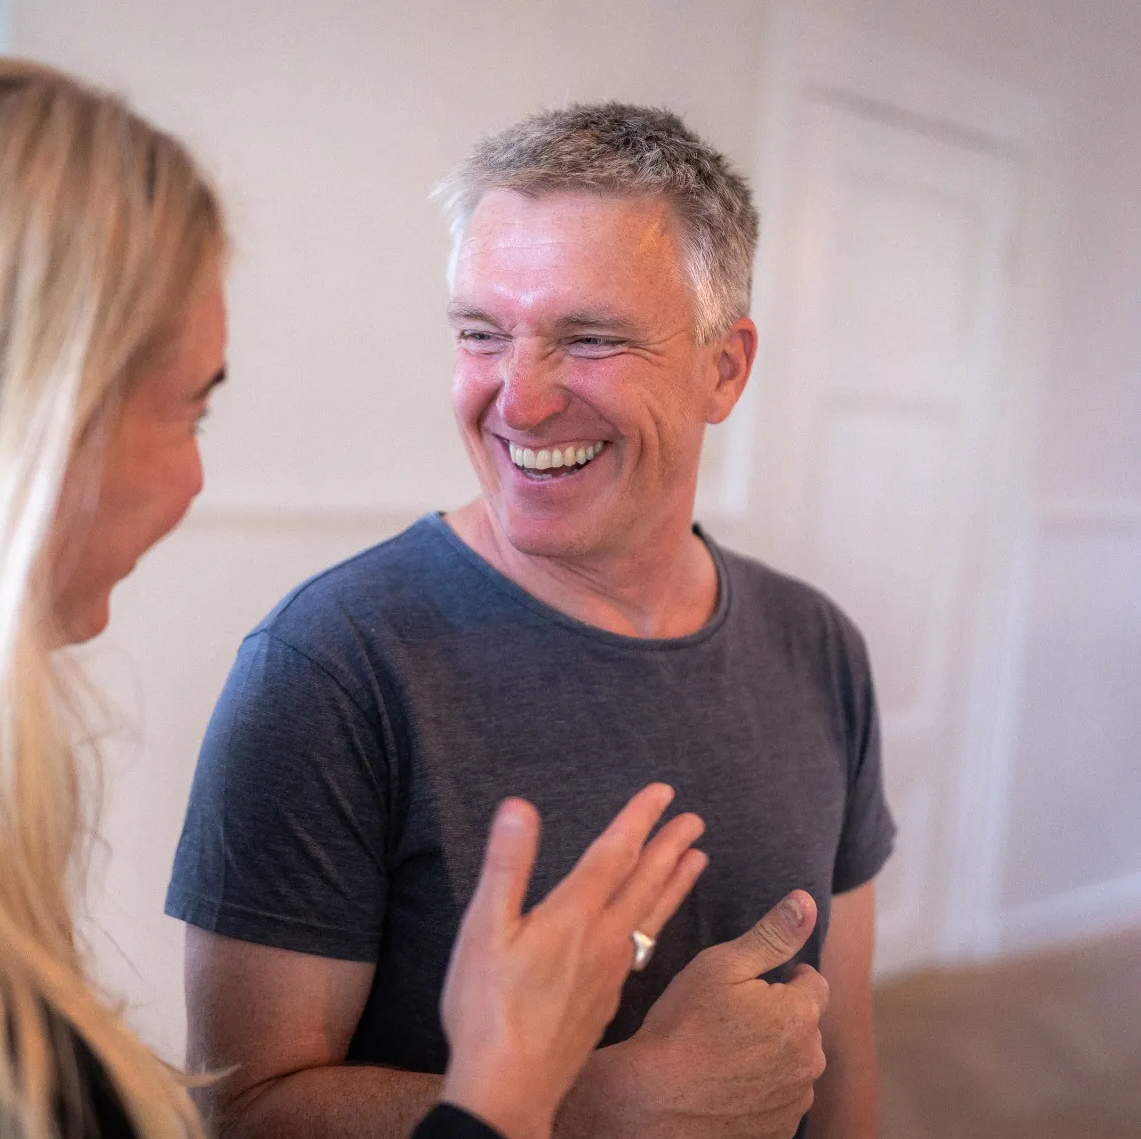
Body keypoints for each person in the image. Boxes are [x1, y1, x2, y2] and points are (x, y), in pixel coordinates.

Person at [0, 57, 706, 1139]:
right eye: (191, 407)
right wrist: (513, 1089)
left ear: (724, 365)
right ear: (33, 430)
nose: (195, 479)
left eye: (591, 338)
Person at [167, 103, 895, 1139]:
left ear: (724, 367)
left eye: (589, 339)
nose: (519, 399)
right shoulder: (329, 667)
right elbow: (245, 1113)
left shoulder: (819, 647)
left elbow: (841, 1050)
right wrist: (602, 1108)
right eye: (481, 334)